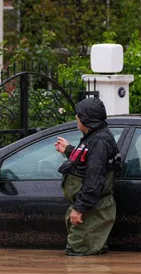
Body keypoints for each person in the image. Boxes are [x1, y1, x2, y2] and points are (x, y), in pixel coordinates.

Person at [54, 97, 120, 256]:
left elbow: (94, 179)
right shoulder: (94, 137)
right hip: (90, 208)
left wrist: (79, 208)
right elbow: (86, 159)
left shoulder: (99, 141)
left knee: (79, 256)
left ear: (87, 119)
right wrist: (68, 150)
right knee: (88, 255)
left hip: (91, 210)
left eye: (79, 115)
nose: (76, 117)